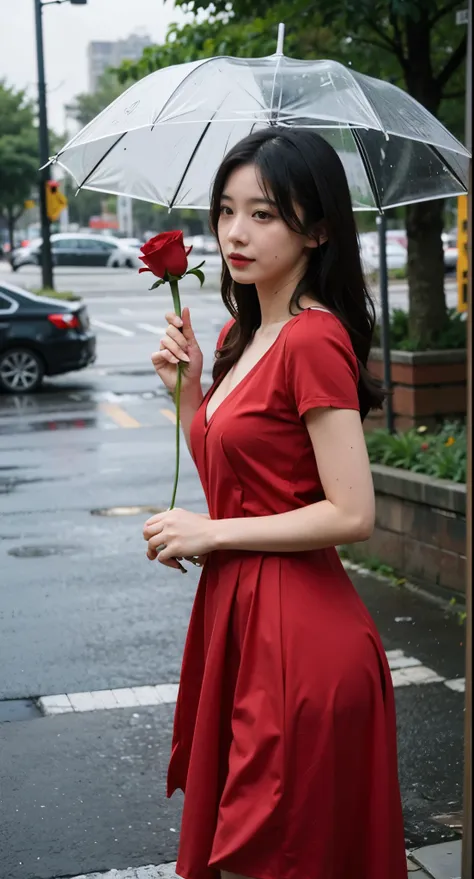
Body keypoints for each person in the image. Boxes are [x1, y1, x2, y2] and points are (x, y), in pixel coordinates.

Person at [143, 127, 408, 879]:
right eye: (227, 209)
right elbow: (233, 478)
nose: (235, 231)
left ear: (317, 228)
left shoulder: (313, 339)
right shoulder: (242, 332)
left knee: (276, 854)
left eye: (264, 213)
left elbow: (353, 513)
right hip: (244, 621)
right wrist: (191, 388)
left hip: (299, 643)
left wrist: (212, 533)